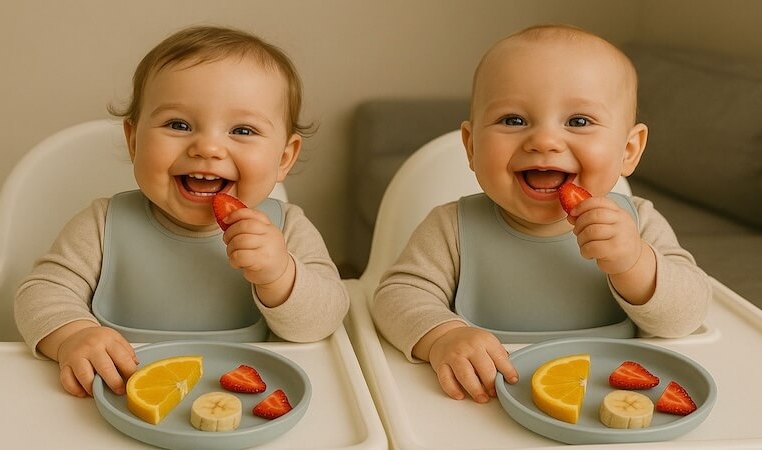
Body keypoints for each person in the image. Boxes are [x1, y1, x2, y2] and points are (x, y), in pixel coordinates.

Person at [370, 24, 710, 404]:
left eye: (578, 121)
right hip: (487, 394)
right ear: (472, 147)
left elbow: (689, 314)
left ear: (629, 150)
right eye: (513, 120)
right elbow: (396, 296)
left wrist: (635, 263)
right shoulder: (451, 227)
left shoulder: (639, 222)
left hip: (605, 395)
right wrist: (443, 336)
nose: (544, 141)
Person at [14, 25, 349, 398]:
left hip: (240, 402)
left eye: (242, 130)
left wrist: (280, 275)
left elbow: (326, 318)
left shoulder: (287, 229)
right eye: (179, 125)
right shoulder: (103, 224)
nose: (207, 148)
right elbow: (40, 292)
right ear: (134, 141)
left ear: (284, 158)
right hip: (121, 394)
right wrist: (73, 335)